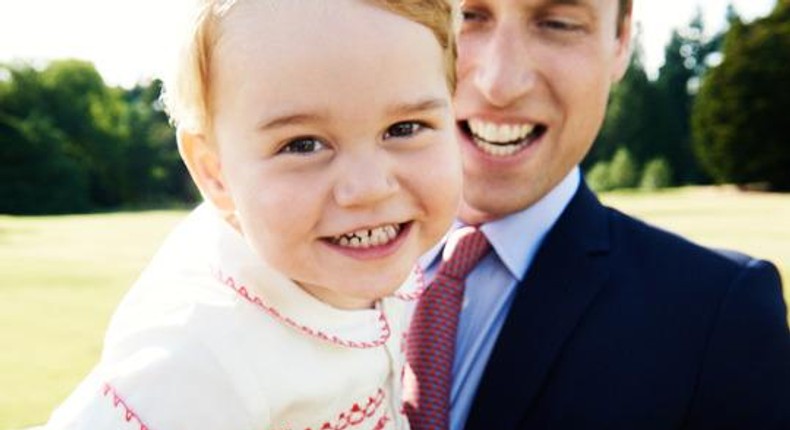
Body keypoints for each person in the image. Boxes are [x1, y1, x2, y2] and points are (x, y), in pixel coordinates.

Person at [44, 0, 462, 429]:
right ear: (216, 173)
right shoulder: (197, 356)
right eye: (302, 145)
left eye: (406, 128)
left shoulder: (375, 255)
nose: (370, 188)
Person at [404, 0, 790, 429]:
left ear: (621, 41)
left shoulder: (718, 321)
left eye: (558, 23)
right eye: (468, 15)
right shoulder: (316, 266)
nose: (500, 83)